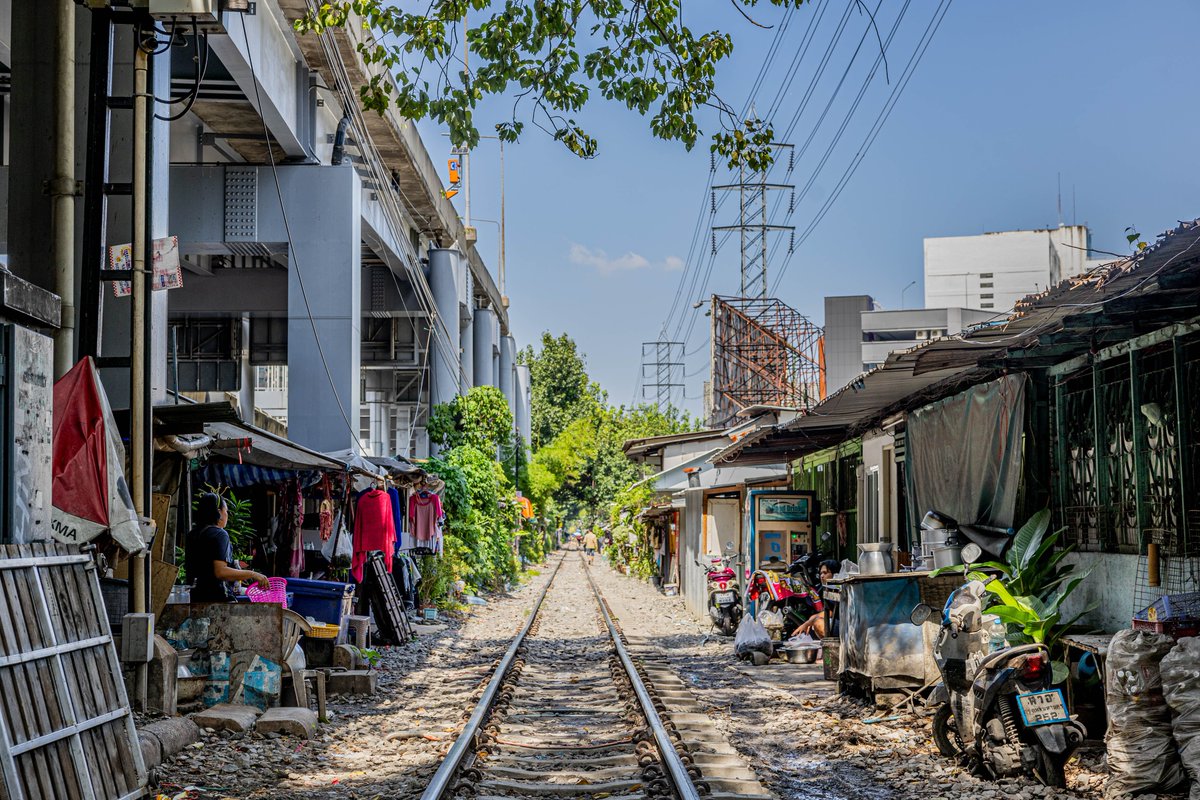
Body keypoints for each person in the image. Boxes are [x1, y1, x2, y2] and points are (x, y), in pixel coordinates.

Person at [185, 493, 270, 602]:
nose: (227, 515)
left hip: (194, 598)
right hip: (217, 600)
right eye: (226, 511)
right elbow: (221, 572)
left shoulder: (192, 535)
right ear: (219, 512)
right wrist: (253, 574)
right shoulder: (220, 534)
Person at [790, 559, 841, 639]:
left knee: (817, 623)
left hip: (845, 626)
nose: (822, 576)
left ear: (835, 574)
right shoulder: (826, 589)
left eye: (825, 573)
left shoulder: (837, 589)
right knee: (813, 621)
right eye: (821, 573)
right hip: (837, 623)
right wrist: (810, 621)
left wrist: (808, 623)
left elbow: (830, 612)